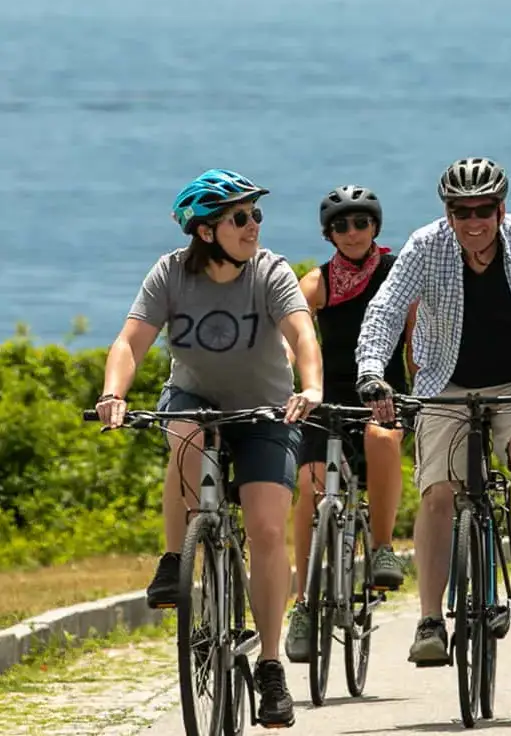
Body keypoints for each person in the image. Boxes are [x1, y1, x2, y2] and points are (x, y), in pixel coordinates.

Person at [355, 157, 511, 666]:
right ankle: (430, 619)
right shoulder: (426, 245)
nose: (473, 221)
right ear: (447, 213)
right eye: (461, 211)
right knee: (438, 494)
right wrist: (371, 370)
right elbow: (385, 310)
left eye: (483, 210)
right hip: (445, 381)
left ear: (501, 209)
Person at [94, 169, 323, 728]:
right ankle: (177, 558)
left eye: (256, 215)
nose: (254, 226)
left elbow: (300, 333)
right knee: (184, 430)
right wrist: (112, 394)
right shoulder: (169, 275)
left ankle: (270, 666)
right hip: (195, 398)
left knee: (268, 528)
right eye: (240, 218)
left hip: (265, 409)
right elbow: (130, 340)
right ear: (205, 232)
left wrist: (311, 386)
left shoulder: (269, 271)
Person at [284, 185, 417, 664]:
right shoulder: (313, 283)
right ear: (328, 234)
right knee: (310, 483)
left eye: (361, 222)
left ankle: (383, 548)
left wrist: (421, 397)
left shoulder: (399, 274)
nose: (352, 232)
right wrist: (289, 383)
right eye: (341, 225)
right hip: (326, 397)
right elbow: (291, 338)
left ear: (375, 226)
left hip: (384, 394)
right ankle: (302, 604)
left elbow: (414, 343)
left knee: (382, 439)